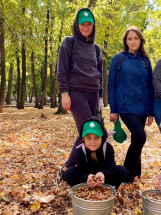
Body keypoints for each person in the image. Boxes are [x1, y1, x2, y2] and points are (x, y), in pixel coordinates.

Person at [56, 7, 103, 179]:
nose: (85, 26)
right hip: (76, 92)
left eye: (89, 24)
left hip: (93, 92)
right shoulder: (69, 42)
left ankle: (82, 169)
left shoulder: (96, 49)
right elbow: (61, 70)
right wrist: (64, 92)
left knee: (90, 132)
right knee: (90, 129)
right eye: (82, 23)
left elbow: (100, 75)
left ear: (93, 26)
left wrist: (100, 98)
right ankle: (68, 168)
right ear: (77, 24)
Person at [107, 26, 154, 183]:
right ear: (125, 41)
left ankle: (135, 175)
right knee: (140, 137)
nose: (133, 41)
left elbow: (150, 86)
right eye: (130, 38)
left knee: (137, 139)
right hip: (125, 106)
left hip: (142, 107)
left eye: (136, 38)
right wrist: (113, 109)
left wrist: (151, 111)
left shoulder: (145, 61)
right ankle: (125, 174)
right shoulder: (119, 58)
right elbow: (111, 85)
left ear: (140, 40)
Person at [58, 117, 129, 189]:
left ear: (102, 137)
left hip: (103, 177)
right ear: (83, 139)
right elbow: (82, 169)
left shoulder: (108, 148)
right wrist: (88, 177)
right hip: (87, 177)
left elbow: (110, 167)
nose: (93, 142)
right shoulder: (80, 150)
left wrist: (103, 174)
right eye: (89, 138)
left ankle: (109, 188)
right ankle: (82, 188)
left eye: (97, 137)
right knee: (69, 172)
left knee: (121, 170)